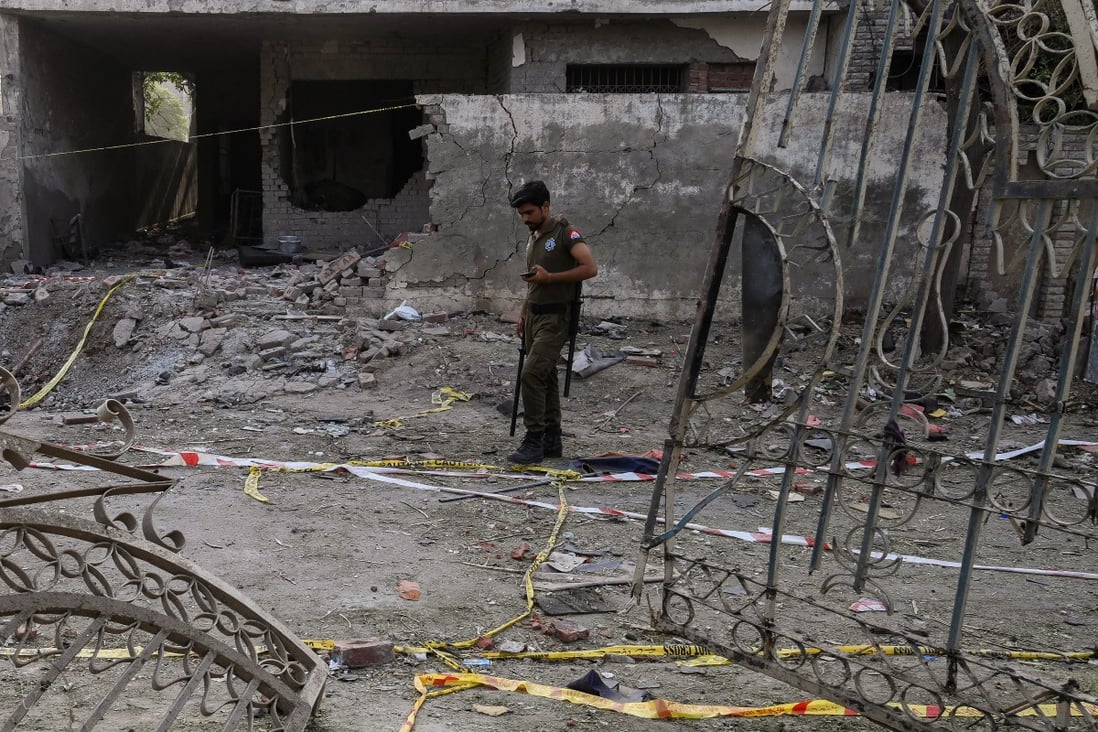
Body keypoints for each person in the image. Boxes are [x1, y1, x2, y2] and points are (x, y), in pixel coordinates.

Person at [508, 180, 597, 464]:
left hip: (556, 317)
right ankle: (551, 438)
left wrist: (551, 279)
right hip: (535, 314)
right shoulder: (534, 236)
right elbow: (535, 281)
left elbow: (590, 268)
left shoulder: (565, 233)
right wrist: (524, 312)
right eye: (522, 214)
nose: (525, 218)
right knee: (545, 375)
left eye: (530, 212)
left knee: (531, 373)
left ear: (546, 206)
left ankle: (534, 439)